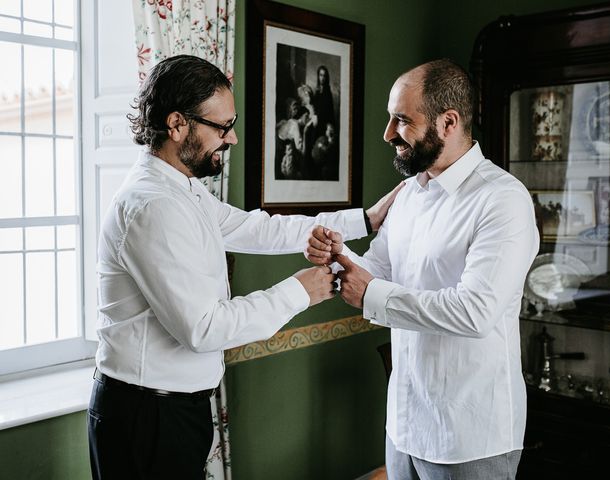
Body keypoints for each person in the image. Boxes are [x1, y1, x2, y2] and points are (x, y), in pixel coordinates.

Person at [89, 54, 402, 480]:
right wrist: (300, 291)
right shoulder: (154, 206)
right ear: (178, 124)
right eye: (222, 127)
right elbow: (203, 328)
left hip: (174, 408)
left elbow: (259, 229)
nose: (232, 138)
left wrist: (363, 220)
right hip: (148, 416)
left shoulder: (183, 190)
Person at [307, 59, 539, 479]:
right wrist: (338, 254)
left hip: (469, 435)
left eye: (401, 120)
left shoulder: (502, 200)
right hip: (404, 422)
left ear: (448, 122)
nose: (388, 134)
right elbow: (378, 267)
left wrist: (371, 293)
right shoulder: (411, 195)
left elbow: (475, 311)